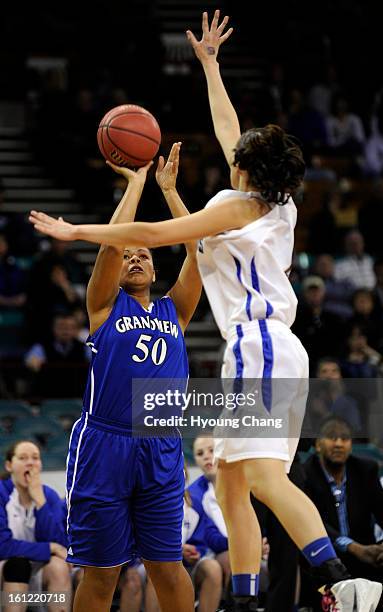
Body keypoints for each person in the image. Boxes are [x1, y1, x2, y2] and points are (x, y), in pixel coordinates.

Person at [28, 11, 383, 612]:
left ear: (244, 172)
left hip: (260, 344)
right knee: (233, 480)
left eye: (235, 158)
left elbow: (160, 232)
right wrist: (211, 66)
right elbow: (230, 129)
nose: (229, 156)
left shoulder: (232, 206)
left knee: (265, 479)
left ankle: (340, 582)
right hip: (270, 346)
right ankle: (244, 600)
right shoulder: (278, 203)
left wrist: (75, 230)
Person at [33, 144, 200, 612]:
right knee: (102, 572)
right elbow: (110, 244)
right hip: (105, 443)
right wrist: (136, 184)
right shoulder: (104, 306)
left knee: (167, 566)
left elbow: (196, 247)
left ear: (155, 266)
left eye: (143, 253)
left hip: (161, 444)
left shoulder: (176, 310)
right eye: (128, 254)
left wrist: (170, 193)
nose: (134, 257)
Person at [302, 418, 383, 610]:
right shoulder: (306, 474)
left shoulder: (365, 470)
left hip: (368, 558)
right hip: (323, 561)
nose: (338, 443)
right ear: (318, 444)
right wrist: (354, 548)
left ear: (351, 445)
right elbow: (313, 524)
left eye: (345, 438)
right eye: (331, 437)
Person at [0, 440, 71, 612]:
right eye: (23, 458)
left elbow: (60, 544)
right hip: (5, 570)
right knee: (17, 565)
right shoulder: (2, 493)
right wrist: (49, 547)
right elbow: (3, 546)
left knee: (59, 566)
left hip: (39, 574)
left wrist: (40, 503)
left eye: (35, 458)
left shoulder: (48, 495)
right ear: (9, 465)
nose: (30, 462)